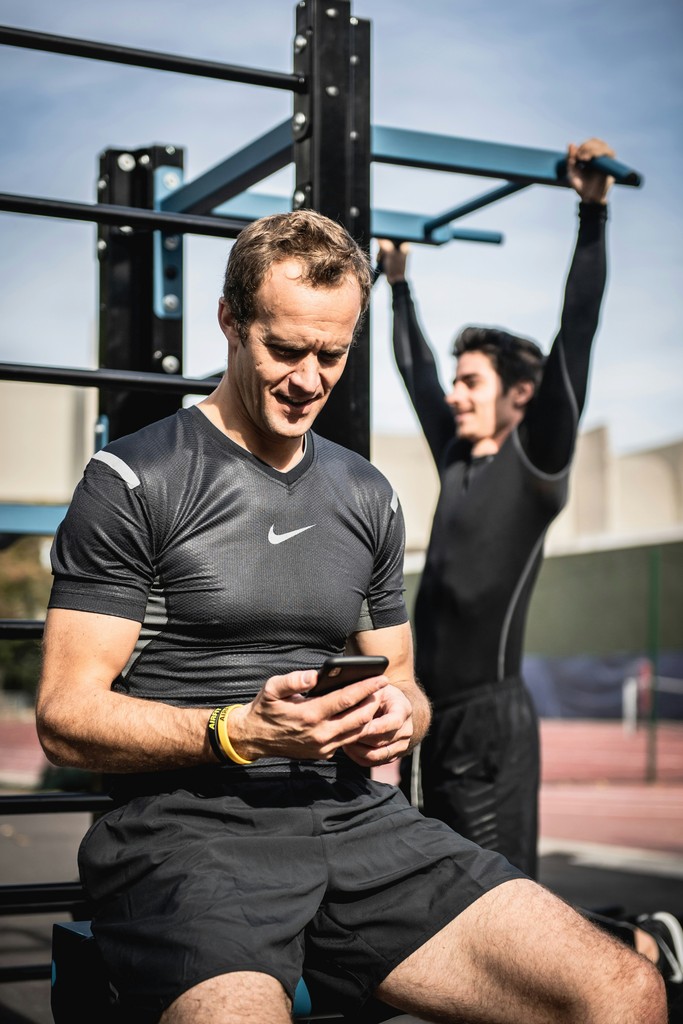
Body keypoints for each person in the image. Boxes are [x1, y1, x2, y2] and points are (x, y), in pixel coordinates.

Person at [36, 209, 665, 1024]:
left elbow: (406, 685)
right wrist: (238, 732)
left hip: (355, 821)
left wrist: (393, 715)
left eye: (331, 355)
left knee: (623, 990)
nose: (308, 379)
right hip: (189, 835)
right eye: (285, 350)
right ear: (229, 321)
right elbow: (64, 715)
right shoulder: (134, 479)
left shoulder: (368, 493)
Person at [377, 137, 617, 879]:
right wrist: (399, 285)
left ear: (518, 394)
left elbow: (573, 334)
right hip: (429, 713)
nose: (454, 392)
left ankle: (640, 943)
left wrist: (590, 212)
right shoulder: (457, 456)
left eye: (471, 381)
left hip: (490, 717)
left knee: (507, 905)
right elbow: (414, 370)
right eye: (457, 379)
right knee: (447, 905)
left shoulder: (536, 458)